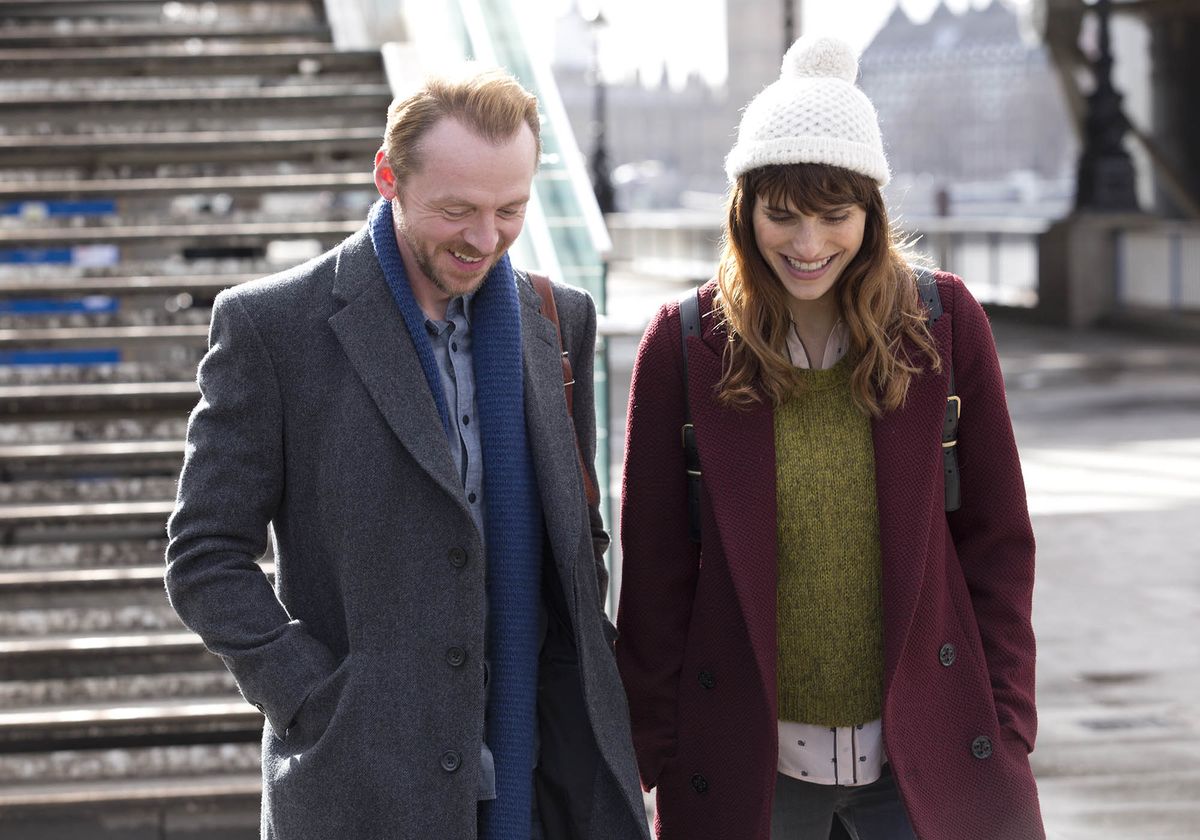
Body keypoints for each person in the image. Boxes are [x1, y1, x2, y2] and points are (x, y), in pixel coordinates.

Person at [166, 65, 650, 840]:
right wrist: (312, 696)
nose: (485, 239)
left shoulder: (560, 319)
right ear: (388, 177)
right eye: (457, 209)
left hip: (542, 773)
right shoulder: (271, 326)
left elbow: (577, 538)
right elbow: (202, 554)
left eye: (511, 210)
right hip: (360, 783)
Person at [615, 36, 1044, 840]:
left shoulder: (944, 325)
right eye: (782, 215)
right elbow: (656, 580)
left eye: (833, 216)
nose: (807, 246)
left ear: (871, 214)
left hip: (934, 757)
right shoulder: (683, 344)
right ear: (744, 210)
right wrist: (655, 755)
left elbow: (999, 543)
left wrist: (1008, 726)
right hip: (746, 768)